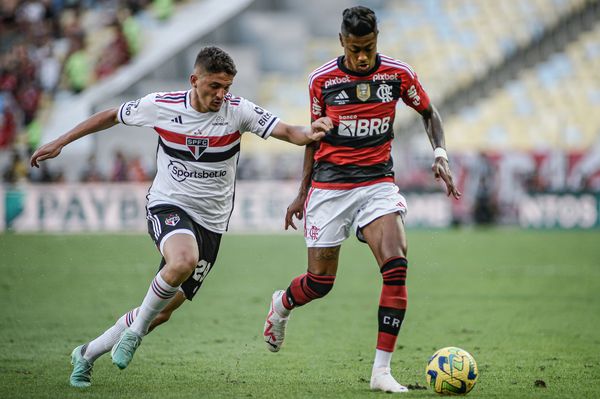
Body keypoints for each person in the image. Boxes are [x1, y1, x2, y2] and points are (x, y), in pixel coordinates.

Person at [30, 46, 333, 388]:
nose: (221, 94)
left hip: (212, 223)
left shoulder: (238, 111)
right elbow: (111, 115)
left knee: (161, 310)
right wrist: (61, 141)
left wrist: (312, 130)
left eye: (226, 87)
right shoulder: (162, 105)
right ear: (195, 79)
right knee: (182, 260)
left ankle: (86, 353)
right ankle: (134, 335)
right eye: (214, 86)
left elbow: (290, 133)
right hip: (169, 204)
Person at [262, 6, 461, 394]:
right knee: (320, 283)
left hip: (377, 185)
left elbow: (428, 111)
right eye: (355, 49)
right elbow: (312, 137)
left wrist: (440, 155)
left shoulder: (398, 74)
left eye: (368, 47)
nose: (363, 56)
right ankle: (281, 305)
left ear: (377, 40)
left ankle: (381, 371)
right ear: (342, 42)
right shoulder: (322, 80)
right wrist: (302, 193)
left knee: (396, 266)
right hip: (330, 188)